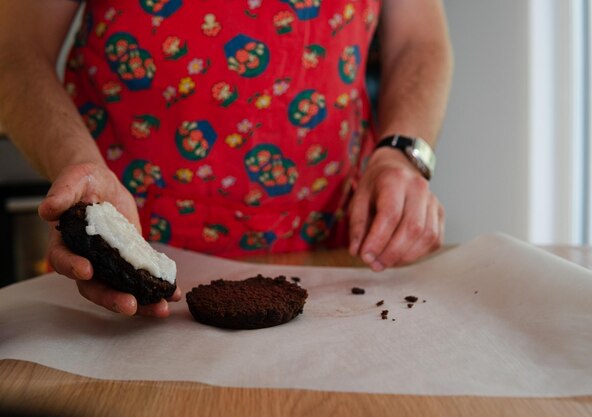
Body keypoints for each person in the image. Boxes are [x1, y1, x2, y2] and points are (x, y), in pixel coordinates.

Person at [0, 0, 452, 317]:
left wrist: (400, 157)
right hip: (130, 238)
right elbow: (15, 49)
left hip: (332, 247)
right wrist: (80, 167)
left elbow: (418, 41)